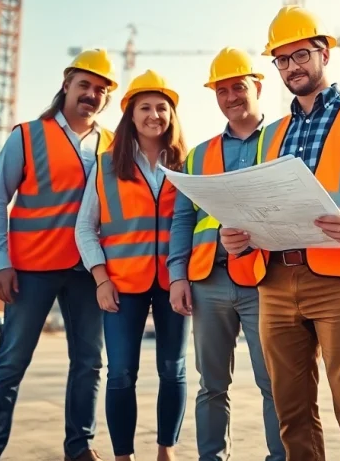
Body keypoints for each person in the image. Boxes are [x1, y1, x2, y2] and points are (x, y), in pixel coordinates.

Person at [220, 5, 340, 461]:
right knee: (291, 412)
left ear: (325, 54)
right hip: (276, 282)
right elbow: (258, 201)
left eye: (300, 55)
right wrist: (237, 235)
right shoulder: (272, 133)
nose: (292, 67)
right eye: (281, 60)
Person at [0, 49, 118, 461]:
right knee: (12, 361)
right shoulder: (28, 135)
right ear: (67, 84)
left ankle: (79, 448)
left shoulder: (111, 144)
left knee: (89, 362)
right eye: (85, 85)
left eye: (101, 89)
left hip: (88, 270)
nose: (92, 94)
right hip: (31, 269)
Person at [166, 47, 285, 461]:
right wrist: (177, 276)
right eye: (222, 90)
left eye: (239, 87)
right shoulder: (198, 155)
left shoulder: (284, 138)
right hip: (209, 282)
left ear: (258, 86)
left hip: (266, 281)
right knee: (211, 384)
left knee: (275, 382)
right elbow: (183, 220)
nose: (231, 96)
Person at [74, 69, 191, 461]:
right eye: (145, 107)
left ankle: (165, 451)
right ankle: (123, 456)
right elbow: (85, 229)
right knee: (121, 372)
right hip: (121, 285)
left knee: (173, 369)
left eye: (162, 107)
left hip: (174, 283)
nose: (154, 115)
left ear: (171, 115)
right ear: (130, 115)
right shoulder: (106, 165)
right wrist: (101, 278)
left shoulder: (188, 165)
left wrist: (183, 276)